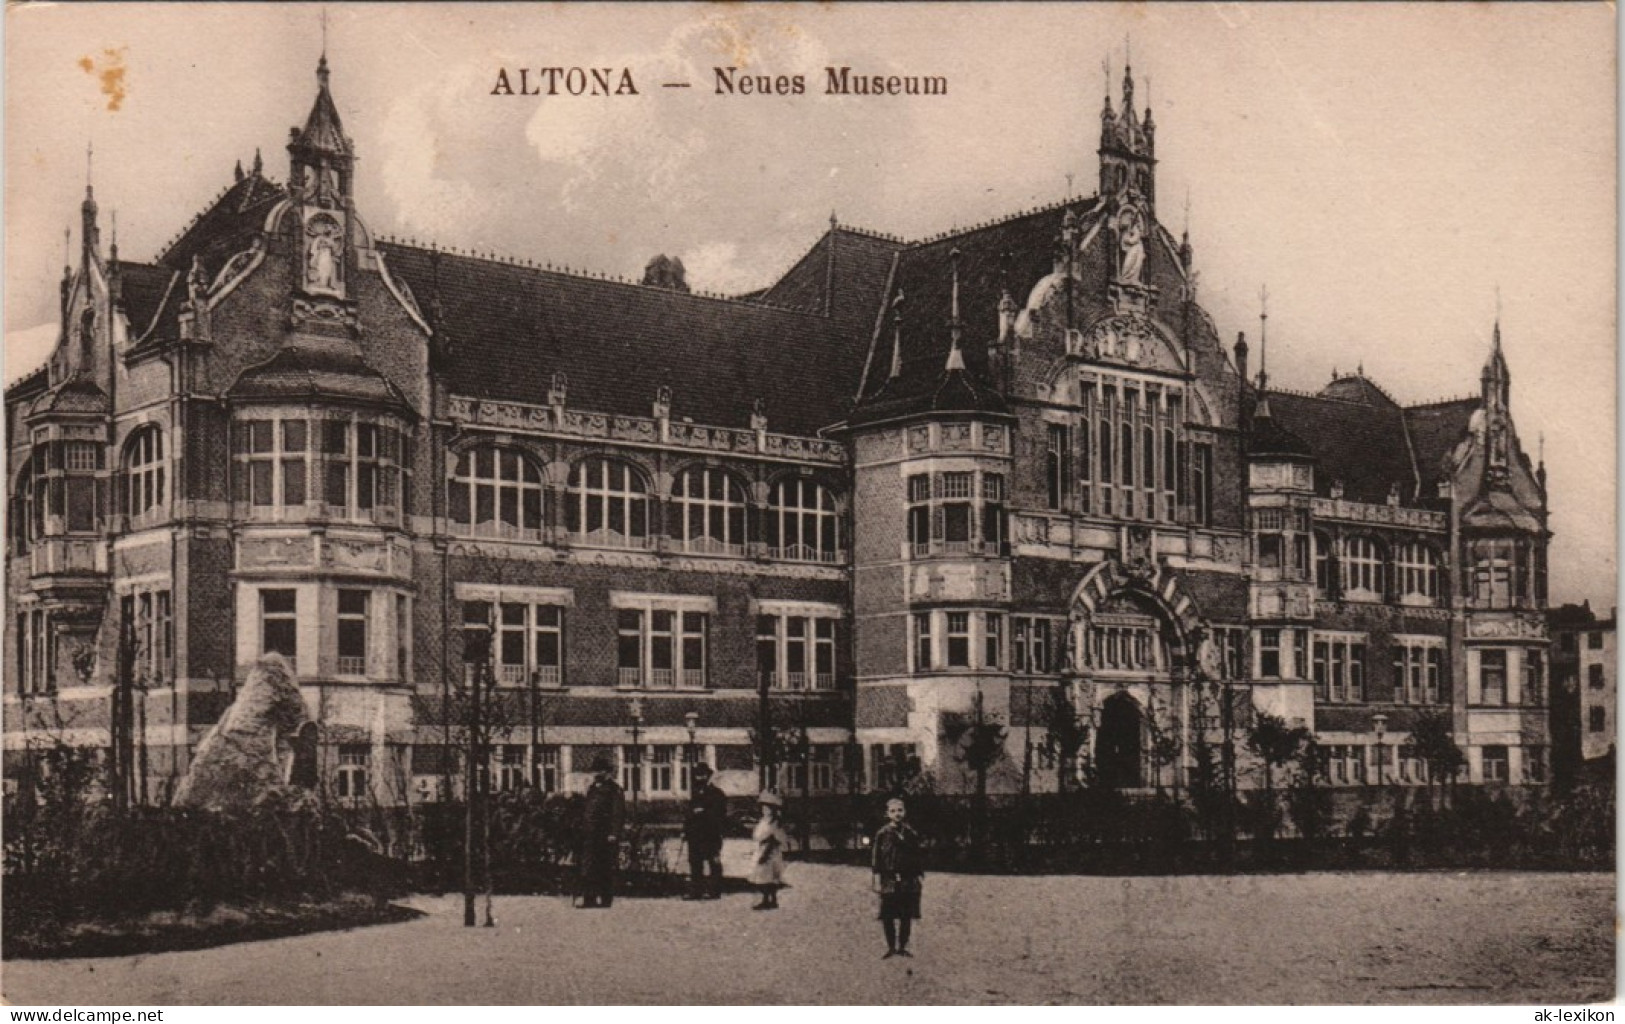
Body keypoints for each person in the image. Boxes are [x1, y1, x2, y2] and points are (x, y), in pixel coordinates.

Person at [872, 797, 924, 958]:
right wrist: (876, 876)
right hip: (889, 878)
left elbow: (917, 856)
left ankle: (902, 946)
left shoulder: (910, 833)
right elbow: (877, 856)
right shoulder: (882, 834)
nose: (897, 814)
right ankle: (891, 947)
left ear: (905, 812)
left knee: (905, 915)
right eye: (893, 811)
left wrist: (919, 875)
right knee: (888, 914)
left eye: (900, 810)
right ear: (887, 814)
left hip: (908, 879)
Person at [577, 755, 625, 908]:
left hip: (605, 834)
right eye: (595, 771)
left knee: (605, 867)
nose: (597, 774)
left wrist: (614, 833)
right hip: (591, 834)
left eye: (600, 771)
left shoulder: (614, 790)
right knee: (589, 866)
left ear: (607, 772)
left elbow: (618, 813)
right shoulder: (592, 788)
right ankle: (589, 899)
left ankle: (605, 899)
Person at [684, 763, 727, 900]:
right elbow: (688, 814)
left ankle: (715, 891)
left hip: (710, 834)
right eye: (697, 775)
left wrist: (702, 812)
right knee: (695, 862)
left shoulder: (717, 794)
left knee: (713, 861)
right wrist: (685, 830)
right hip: (695, 835)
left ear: (708, 776)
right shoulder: (695, 793)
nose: (699, 777)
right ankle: (696, 891)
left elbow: (719, 815)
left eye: (702, 775)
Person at [749, 791, 787, 910]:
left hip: (770, 851)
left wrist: (766, 853)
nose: (764, 810)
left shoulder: (774, 822)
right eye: (763, 807)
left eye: (767, 808)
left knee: (769, 876)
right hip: (762, 848)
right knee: (763, 876)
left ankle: (771, 900)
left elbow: (774, 838)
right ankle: (766, 899)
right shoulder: (764, 820)